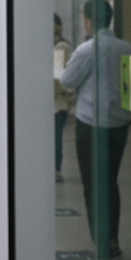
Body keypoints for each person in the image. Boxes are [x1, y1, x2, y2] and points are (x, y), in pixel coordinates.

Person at [59, 0, 131, 260]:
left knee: (93, 185)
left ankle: (101, 246)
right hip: (119, 124)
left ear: (89, 21)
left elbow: (67, 80)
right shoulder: (127, 48)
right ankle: (112, 241)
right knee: (110, 182)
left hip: (90, 125)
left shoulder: (87, 50)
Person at [52, 14, 74, 183]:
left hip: (57, 100)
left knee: (55, 135)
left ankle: (55, 168)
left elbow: (60, 76)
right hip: (42, 101)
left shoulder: (62, 47)